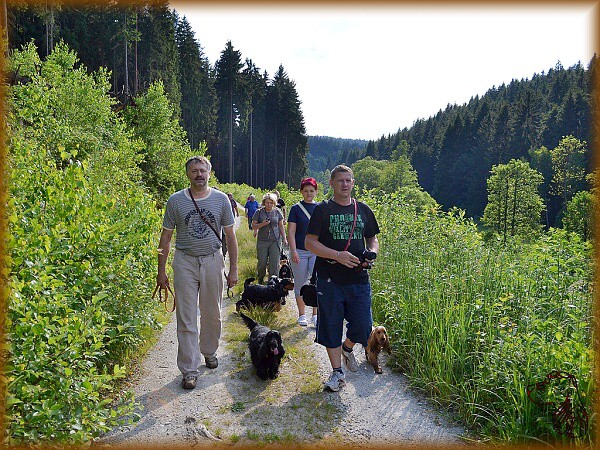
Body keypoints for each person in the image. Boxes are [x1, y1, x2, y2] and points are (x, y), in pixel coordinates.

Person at [156, 156, 239, 390]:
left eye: (202, 170)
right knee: (186, 316)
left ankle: (210, 351)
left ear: (209, 173)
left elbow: (230, 236)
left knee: (212, 312)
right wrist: (160, 271)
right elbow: (166, 237)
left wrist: (233, 268)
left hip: (213, 260)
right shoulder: (175, 201)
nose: (199, 174)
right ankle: (189, 369)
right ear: (188, 174)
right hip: (184, 262)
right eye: (194, 171)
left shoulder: (221, 200)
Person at [305, 164, 380, 392]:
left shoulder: (363, 209)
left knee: (364, 327)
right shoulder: (323, 210)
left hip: (358, 278)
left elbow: (372, 239)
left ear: (353, 183)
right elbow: (310, 242)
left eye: (348, 180)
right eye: (340, 181)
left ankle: (348, 349)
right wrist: (337, 255)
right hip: (329, 278)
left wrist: (372, 253)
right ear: (331, 184)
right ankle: (337, 373)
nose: (345, 184)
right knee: (331, 327)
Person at [287, 177, 319, 327]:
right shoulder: (296, 208)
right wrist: (293, 251)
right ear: (301, 192)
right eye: (306, 191)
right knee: (300, 283)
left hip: (316, 252)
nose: (309, 193)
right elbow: (291, 232)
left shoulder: (320, 208)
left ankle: (315, 314)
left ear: (316, 192)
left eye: (311, 191)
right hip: (299, 251)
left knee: (317, 283)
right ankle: (302, 315)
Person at [252, 192, 288, 284]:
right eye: (267, 202)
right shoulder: (259, 212)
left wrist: (284, 238)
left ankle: (273, 283)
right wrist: (262, 224)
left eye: (271, 203)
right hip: (262, 241)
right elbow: (253, 226)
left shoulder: (277, 212)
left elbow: (281, 226)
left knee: (274, 264)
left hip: (275, 241)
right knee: (262, 263)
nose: (269, 204)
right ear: (264, 203)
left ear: (274, 203)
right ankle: (260, 280)